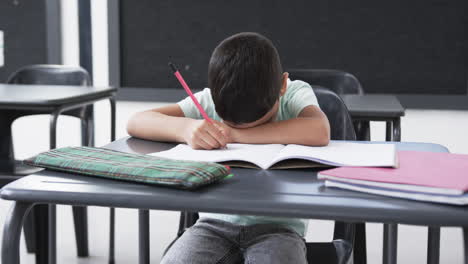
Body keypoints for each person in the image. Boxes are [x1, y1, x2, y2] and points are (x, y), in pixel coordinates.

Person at [127, 32, 330, 264]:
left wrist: (236, 134)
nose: (239, 128)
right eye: (232, 123)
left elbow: (319, 129)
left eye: (257, 123)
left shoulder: (294, 93)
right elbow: (136, 121)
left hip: (279, 230)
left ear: (282, 85)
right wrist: (185, 128)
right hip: (212, 226)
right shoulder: (209, 100)